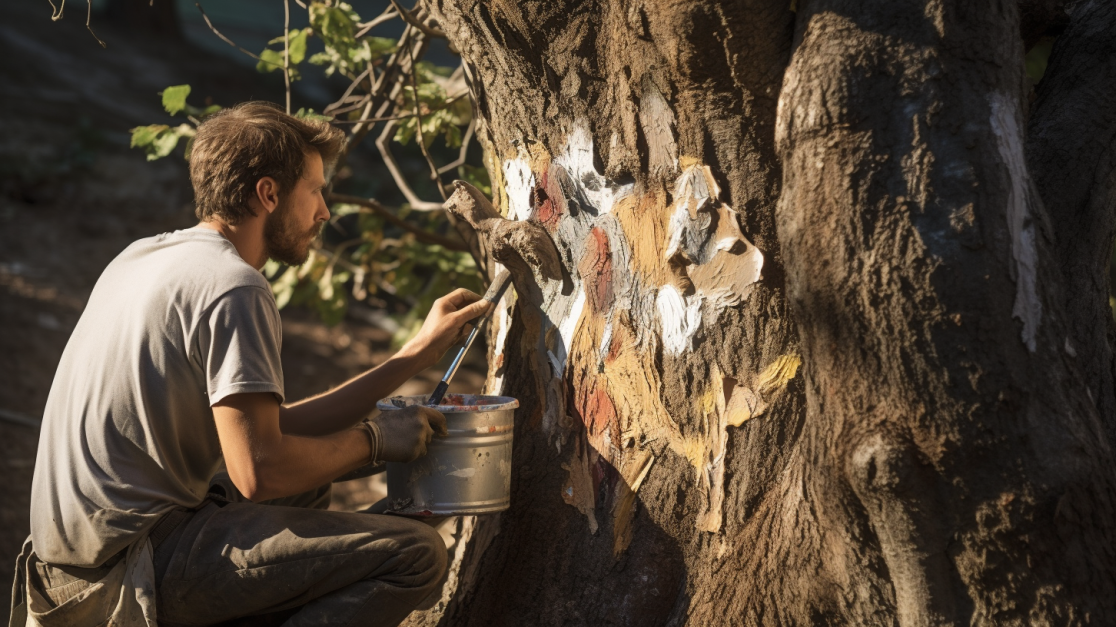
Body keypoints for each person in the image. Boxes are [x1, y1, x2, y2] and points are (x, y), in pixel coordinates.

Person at [10, 101, 490, 627]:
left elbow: (267, 432)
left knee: (310, 483)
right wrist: (374, 441)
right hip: (126, 570)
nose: (325, 211)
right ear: (268, 194)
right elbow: (259, 471)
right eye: (315, 190)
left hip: (73, 561)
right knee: (416, 555)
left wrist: (416, 355)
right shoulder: (233, 287)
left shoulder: (144, 257)